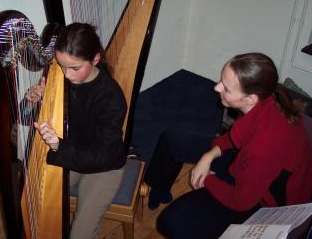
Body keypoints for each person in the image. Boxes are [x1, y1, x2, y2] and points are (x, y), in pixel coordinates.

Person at [144, 52, 312, 238]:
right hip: (246, 163)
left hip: (264, 198)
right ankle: (159, 190)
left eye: (226, 88)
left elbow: (241, 200)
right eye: (221, 80)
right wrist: (209, 155)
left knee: (172, 222)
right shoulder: (264, 100)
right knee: (172, 139)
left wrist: (208, 178)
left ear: (251, 98)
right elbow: (236, 136)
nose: (217, 87)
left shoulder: (265, 147)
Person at [27, 23, 127, 239]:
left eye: (75, 68)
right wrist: (34, 102)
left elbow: (103, 154)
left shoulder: (111, 97)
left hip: (104, 165)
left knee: (79, 235)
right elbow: (27, 119)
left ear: (96, 59)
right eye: (61, 66)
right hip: (71, 152)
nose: (66, 74)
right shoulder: (60, 79)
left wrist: (58, 146)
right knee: (35, 198)